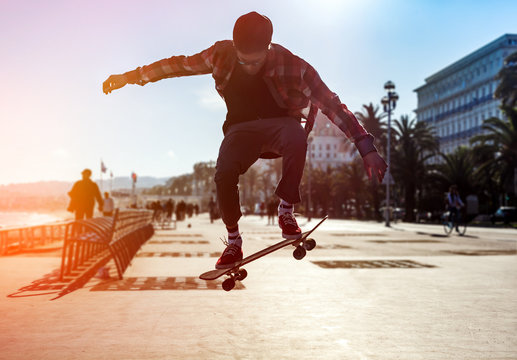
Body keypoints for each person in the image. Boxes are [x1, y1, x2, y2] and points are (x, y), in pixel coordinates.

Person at [103, 12, 387, 269]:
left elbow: (332, 105)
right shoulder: (219, 54)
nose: (248, 67)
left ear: (268, 48)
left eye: (255, 61)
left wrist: (366, 147)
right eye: (243, 60)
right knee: (224, 172)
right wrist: (130, 77)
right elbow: (178, 66)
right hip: (241, 130)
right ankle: (233, 241)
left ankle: (286, 211)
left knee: (297, 136)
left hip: (281, 126)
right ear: (234, 47)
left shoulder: (295, 66)